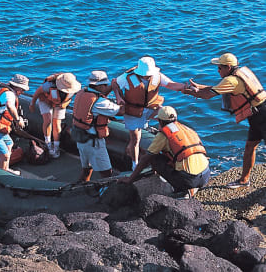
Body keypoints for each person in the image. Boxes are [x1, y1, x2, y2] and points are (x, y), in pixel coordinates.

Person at [184, 52, 266, 188]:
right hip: (257, 115)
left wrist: (188, 91)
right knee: (250, 147)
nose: (218, 70)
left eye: (220, 68)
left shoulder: (231, 81)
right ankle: (244, 180)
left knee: (251, 147)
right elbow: (215, 89)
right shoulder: (239, 74)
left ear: (228, 67)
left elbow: (207, 96)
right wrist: (198, 87)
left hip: (262, 116)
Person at [112, 56, 189, 171]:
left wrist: (185, 87)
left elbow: (170, 85)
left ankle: (173, 152)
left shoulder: (157, 76)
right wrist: (118, 97)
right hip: (133, 111)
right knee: (135, 139)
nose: (147, 76)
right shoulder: (127, 77)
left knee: (168, 121)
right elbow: (114, 83)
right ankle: (135, 164)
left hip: (151, 108)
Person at [119, 106, 210, 199]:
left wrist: (130, 179)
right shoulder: (186, 129)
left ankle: (181, 190)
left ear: (160, 121)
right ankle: (190, 185)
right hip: (206, 174)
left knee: (154, 158)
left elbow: (147, 158)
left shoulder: (163, 135)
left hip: (190, 180)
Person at [72, 70, 124, 182]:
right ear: (99, 86)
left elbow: (100, 95)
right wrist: (117, 92)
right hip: (94, 143)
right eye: (105, 85)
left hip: (81, 139)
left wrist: (111, 86)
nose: (106, 86)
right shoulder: (100, 102)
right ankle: (105, 195)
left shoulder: (82, 92)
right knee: (107, 173)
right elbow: (121, 111)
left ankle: (80, 187)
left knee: (86, 169)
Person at [29, 73, 81, 158]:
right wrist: (32, 104)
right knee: (48, 120)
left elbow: (70, 98)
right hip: (45, 101)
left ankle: (56, 146)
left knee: (56, 124)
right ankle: (48, 143)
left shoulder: (74, 89)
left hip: (60, 103)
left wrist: (65, 103)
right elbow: (37, 92)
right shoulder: (48, 85)